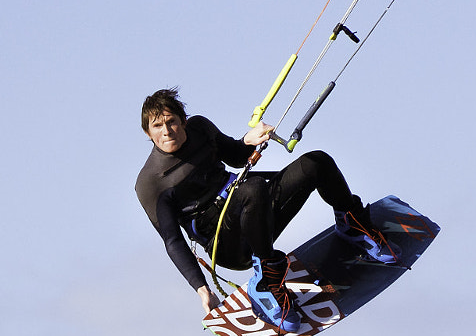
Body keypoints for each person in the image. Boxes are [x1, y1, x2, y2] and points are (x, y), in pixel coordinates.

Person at [134, 87, 396, 319]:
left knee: (316, 163)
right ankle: (267, 282)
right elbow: (173, 241)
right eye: (158, 126)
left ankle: (352, 224)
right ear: (148, 132)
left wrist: (248, 141)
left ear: (184, 121)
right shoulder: (150, 183)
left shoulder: (201, 128)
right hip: (227, 245)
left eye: (172, 122)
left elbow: (236, 157)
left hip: (253, 208)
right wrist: (202, 289)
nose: (167, 131)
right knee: (252, 189)